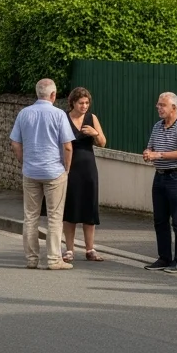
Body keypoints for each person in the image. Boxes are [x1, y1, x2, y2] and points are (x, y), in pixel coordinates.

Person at [9, 78, 76, 270]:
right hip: (54, 171)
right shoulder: (59, 115)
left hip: (31, 171)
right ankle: (54, 259)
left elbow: (15, 143)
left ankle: (31, 258)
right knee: (55, 216)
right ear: (53, 95)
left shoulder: (24, 113)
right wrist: (67, 168)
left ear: (37, 93)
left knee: (30, 216)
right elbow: (68, 146)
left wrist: (24, 161)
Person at [142, 91, 177, 273]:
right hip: (160, 175)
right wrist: (148, 153)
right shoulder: (157, 126)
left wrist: (159, 154)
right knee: (160, 220)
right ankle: (164, 257)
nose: (158, 107)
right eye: (158, 104)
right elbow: (151, 146)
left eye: (162, 105)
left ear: (174, 107)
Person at [62, 86, 107, 263]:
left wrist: (94, 133)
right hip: (70, 167)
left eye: (87, 103)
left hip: (88, 167)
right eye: (81, 103)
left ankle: (90, 249)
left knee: (89, 207)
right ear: (73, 102)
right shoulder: (64, 118)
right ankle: (69, 250)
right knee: (71, 208)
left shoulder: (92, 118)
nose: (84, 106)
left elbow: (103, 142)